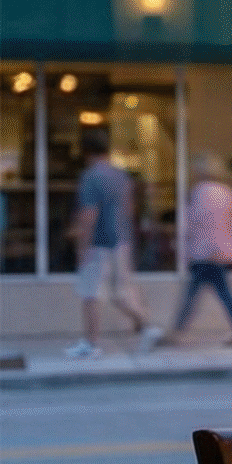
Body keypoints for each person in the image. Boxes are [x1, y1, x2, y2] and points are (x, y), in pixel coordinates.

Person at [66, 131, 160, 358]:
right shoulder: (122, 176)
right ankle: (147, 326)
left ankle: (91, 344)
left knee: (90, 294)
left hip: (98, 244)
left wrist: (81, 247)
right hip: (121, 241)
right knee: (120, 294)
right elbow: (128, 210)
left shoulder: (90, 177)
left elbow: (89, 214)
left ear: (87, 153)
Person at [169, 154, 232, 346]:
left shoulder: (199, 193)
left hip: (204, 252)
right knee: (220, 292)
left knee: (195, 293)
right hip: (222, 252)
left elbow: (192, 221)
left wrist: (182, 246)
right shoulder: (229, 193)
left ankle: (177, 332)